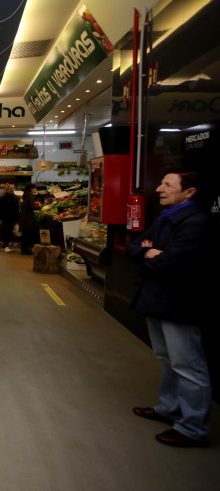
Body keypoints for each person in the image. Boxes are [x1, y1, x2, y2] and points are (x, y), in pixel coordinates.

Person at [126, 171, 212, 448]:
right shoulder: (165, 218)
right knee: (170, 358)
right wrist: (148, 252)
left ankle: (193, 428)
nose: (159, 188)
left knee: (188, 364)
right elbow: (134, 248)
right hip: (158, 300)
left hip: (179, 303)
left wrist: (149, 254)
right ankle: (171, 408)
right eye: (161, 182)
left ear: (189, 192)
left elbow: (173, 262)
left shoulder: (196, 223)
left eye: (168, 185)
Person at [0, 182, 20, 253]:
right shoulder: (2, 198)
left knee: (10, 232)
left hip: (13, 218)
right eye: (10, 189)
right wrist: (2, 216)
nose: (11, 190)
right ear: (6, 189)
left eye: (12, 189)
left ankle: (5, 246)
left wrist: (17, 217)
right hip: (6, 218)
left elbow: (18, 208)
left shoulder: (16, 198)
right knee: (6, 232)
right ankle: (5, 245)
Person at [19, 183, 38, 254]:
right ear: (31, 189)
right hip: (28, 218)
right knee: (27, 234)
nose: (36, 189)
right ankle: (25, 250)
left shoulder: (25, 195)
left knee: (25, 234)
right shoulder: (30, 196)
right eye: (35, 188)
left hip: (24, 217)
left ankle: (24, 249)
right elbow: (31, 207)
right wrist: (39, 207)